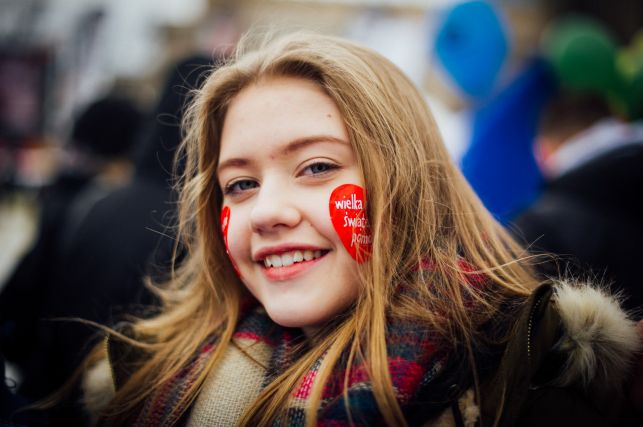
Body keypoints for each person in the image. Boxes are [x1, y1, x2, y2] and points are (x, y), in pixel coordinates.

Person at [82, 33, 641, 427]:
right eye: (240, 185)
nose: (266, 212)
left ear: (410, 186)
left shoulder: (534, 396)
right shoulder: (143, 387)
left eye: (318, 168)